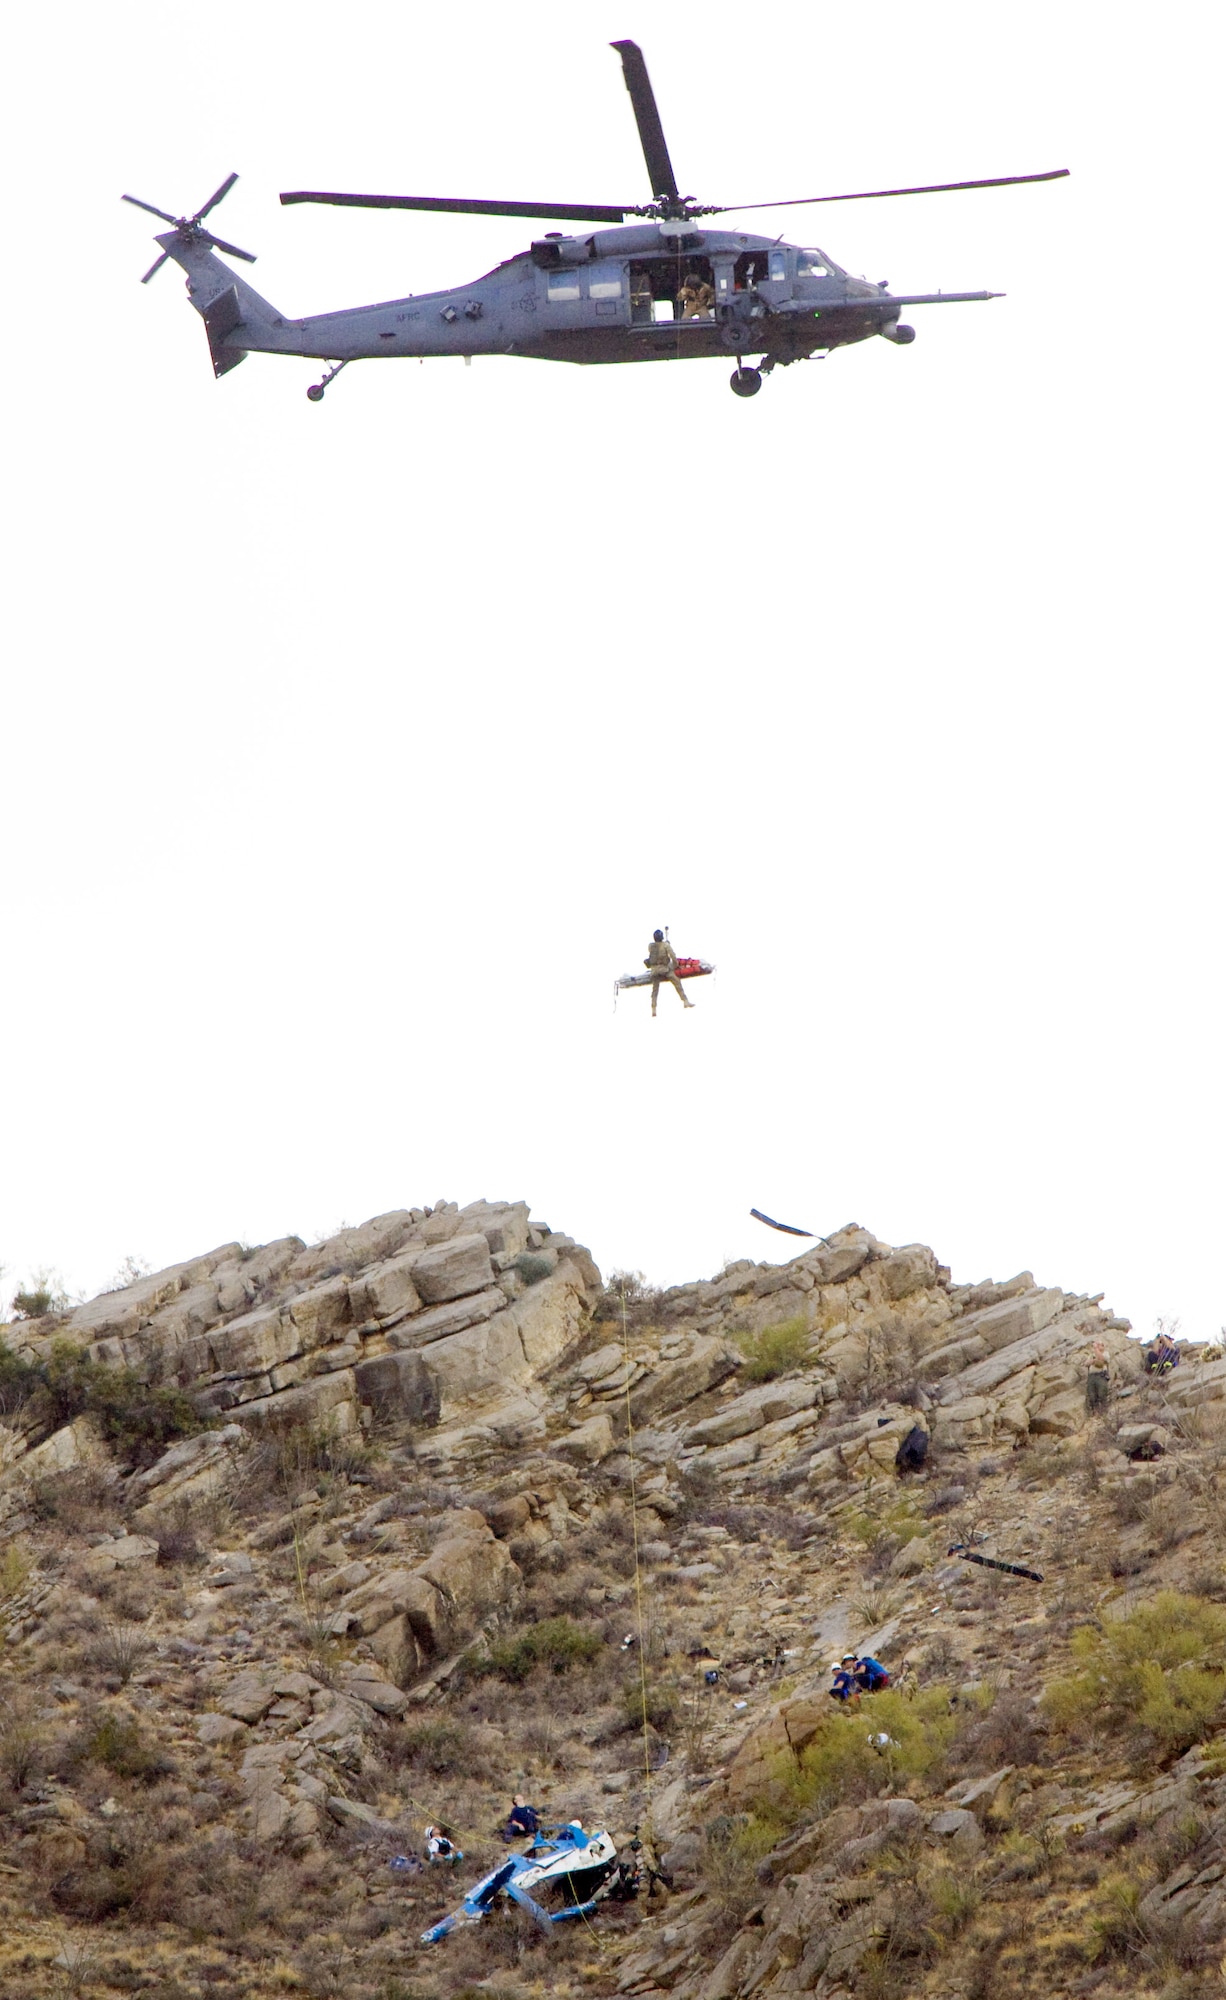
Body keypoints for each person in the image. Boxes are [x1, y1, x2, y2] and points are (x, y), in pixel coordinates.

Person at [645, 929, 694, 1015]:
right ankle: (685, 1001)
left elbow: (654, 952)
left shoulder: (650, 946)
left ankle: (653, 1009)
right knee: (677, 982)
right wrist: (674, 966)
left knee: (655, 989)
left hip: (654, 971)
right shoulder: (666, 945)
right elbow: (673, 957)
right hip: (664, 969)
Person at [1085, 1338, 1111, 1411]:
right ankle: (1095, 1412)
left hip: (1101, 1376)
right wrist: (1093, 1361)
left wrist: (1096, 1349)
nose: (1098, 1346)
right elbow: (1086, 1363)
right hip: (1092, 1376)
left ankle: (1104, 1411)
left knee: (1102, 1393)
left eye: (1100, 1345)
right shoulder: (1092, 1355)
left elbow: (1102, 1359)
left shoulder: (1106, 1353)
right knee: (1092, 1395)